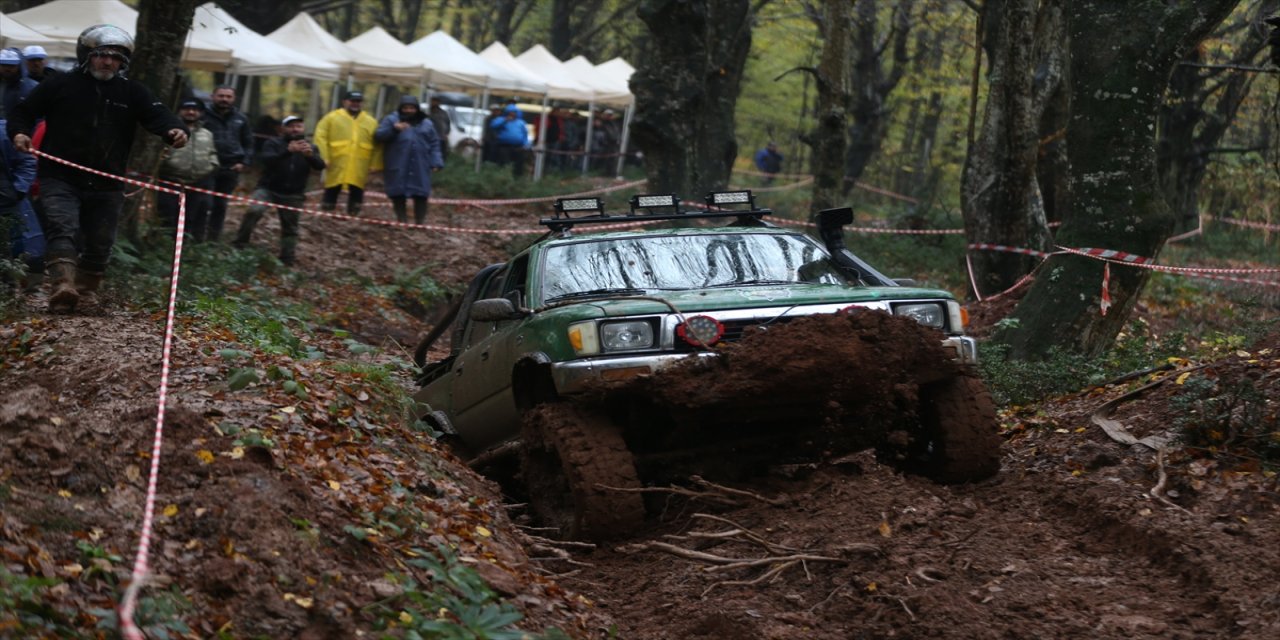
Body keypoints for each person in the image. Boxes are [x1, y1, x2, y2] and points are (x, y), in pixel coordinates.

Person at [7, 24, 188, 313]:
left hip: (108, 181)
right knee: (61, 227)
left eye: (116, 58)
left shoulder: (131, 91)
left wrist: (175, 131)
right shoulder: (60, 84)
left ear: (123, 62)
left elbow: (158, 114)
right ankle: (62, 286)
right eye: (102, 55)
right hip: (60, 175)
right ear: (87, 55)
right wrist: (19, 133)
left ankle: (86, 292)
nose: (108, 62)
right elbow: (23, 112)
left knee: (101, 239)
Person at [232, 115, 324, 266]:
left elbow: (320, 166)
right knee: (254, 211)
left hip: (294, 193)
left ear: (303, 129)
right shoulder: (273, 142)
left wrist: (310, 156)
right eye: (291, 126)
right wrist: (287, 152)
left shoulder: (311, 147)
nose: (295, 129)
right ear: (283, 129)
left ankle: (287, 260)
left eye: (298, 126)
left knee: (291, 228)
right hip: (268, 188)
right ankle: (239, 245)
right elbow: (266, 160)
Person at [156, 99, 218, 242]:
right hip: (170, 181)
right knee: (167, 215)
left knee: (191, 217)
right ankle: (163, 245)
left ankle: (188, 246)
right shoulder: (168, 130)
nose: (191, 112)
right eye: (187, 108)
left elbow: (213, 153)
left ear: (201, 113)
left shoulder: (207, 133)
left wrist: (212, 165)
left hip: (197, 183)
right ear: (179, 111)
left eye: (195, 109)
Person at [375, 95, 443, 225]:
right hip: (398, 162)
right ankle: (402, 219)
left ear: (416, 109)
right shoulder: (391, 120)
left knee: (421, 193)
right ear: (401, 108)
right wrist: (394, 129)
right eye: (405, 108)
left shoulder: (426, 123)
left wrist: (436, 161)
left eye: (412, 108)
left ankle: (420, 222)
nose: (408, 111)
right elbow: (379, 136)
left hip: (421, 163)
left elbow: (435, 143)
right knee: (398, 192)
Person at [314, 90, 378, 216]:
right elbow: (320, 137)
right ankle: (326, 214)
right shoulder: (331, 118)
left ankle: (354, 215)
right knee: (332, 187)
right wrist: (323, 157)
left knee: (357, 189)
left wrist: (375, 163)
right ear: (344, 102)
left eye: (358, 101)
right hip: (336, 160)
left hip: (360, 162)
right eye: (352, 101)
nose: (355, 104)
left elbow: (377, 145)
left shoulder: (371, 122)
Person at [203, 85, 253, 242]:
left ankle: (213, 239)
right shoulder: (203, 115)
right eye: (221, 96)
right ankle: (195, 237)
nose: (224, 99)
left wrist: (244, 162)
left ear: (234, 99)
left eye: (228, 96)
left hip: (231, 167)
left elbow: (249, 143)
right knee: (204, 203)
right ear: (213, 96)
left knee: (220, 205)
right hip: (206, 166)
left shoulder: (241, 118)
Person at [0, 117, 43, 293]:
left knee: (13, 242)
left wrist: (18, 189)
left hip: (6, 197)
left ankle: (9, 285)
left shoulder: (5, 133)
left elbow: (27, 161)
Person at [490, 104, 529, 178]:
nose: (512, 113)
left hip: (518, 147)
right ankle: (504, 177)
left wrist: (525, 144)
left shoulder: (521, 122)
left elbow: (525, 134)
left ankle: (517, 179)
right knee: (504, 163)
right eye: (510, 112)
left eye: (514, 112)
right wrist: (505, 120)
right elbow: (493, 126)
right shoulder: (501, 119)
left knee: (518, 165)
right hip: (504, 146)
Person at [0, 49, 37, 121]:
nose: (7, 68)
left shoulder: (32, 87)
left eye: (12, 65)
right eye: (4, 65)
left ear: (19, 66)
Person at [427, 96, 452, 161]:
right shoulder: (427, 112)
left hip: (441, 136)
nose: (435, 103)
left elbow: (448, 123)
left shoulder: (443, 113)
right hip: (430, 136)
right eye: (433, 101)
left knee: (441, 151)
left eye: (436, 102)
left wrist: (446, 133)